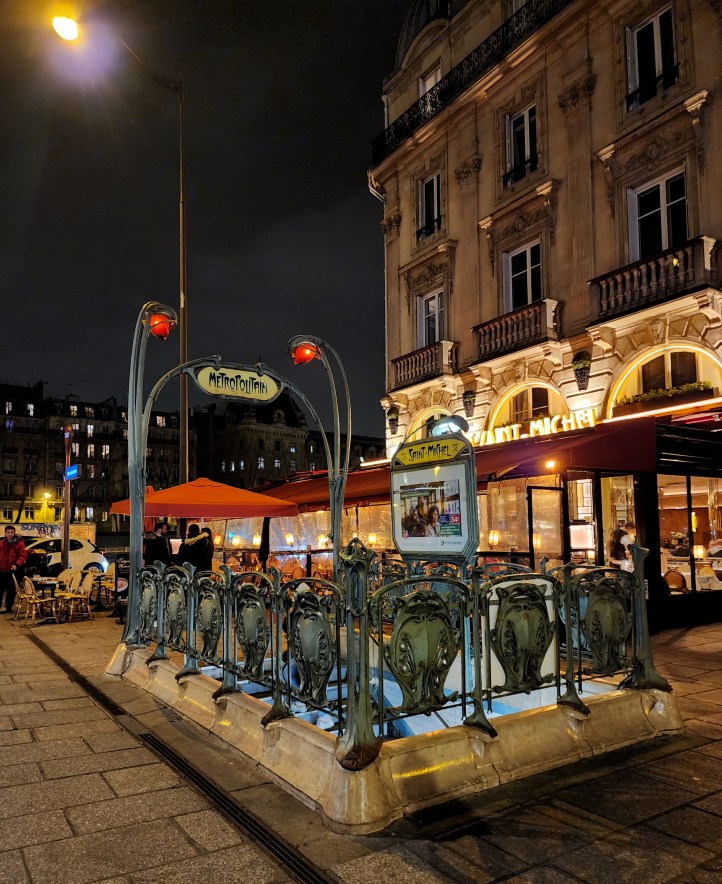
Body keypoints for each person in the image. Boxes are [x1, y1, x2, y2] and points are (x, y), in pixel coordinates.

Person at [0, 525, 27, 614]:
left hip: (12, 571)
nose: (10, 534)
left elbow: (23, 556)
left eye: (12, 532)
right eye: (8, 532)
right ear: (5, 533)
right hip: (1, 571)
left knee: (11, 590)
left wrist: (17, 564)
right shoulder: (1, 543)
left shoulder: (19, 543)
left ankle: (8, 608)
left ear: (14, 533)